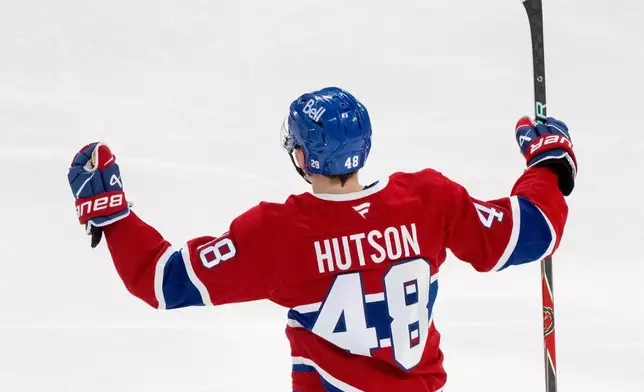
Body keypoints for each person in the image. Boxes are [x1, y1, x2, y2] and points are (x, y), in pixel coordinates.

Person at [67, 87, 576, 392]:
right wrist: (547, 166)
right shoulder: (429, 201)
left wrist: (112, 215)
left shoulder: (281, 234)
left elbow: (163, 280)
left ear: (305, 157)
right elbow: (534, 230)